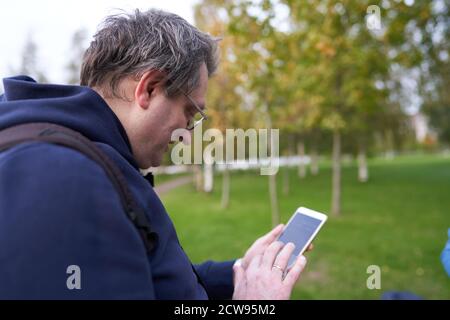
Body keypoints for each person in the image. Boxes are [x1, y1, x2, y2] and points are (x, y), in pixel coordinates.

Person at [0, 9, 308, 299]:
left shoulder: (89, 161)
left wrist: (239, 272)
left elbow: (146, 276)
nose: (187, 136)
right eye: (189, 113)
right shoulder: (63, 179)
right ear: (149, 89)